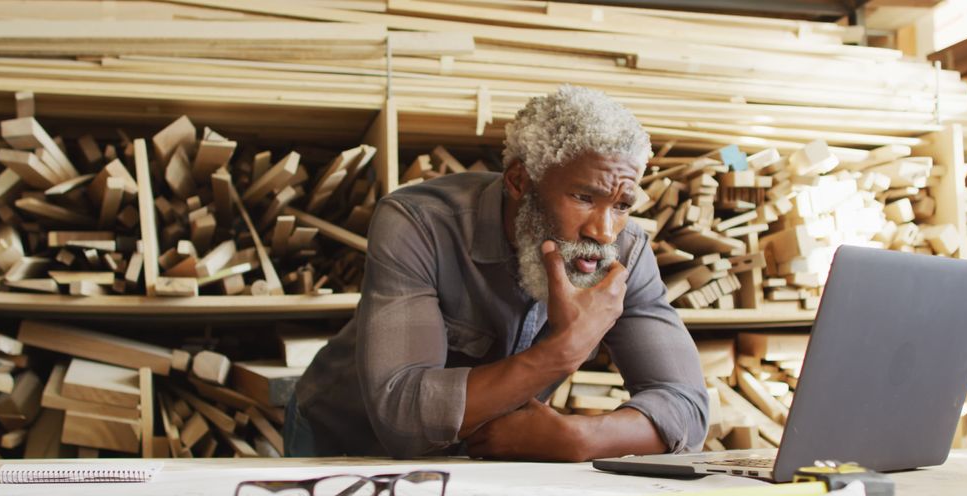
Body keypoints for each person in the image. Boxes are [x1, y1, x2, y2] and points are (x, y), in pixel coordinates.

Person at [285, 85, 708, 461]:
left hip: (482, 451)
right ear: (520, 181)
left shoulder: (624, 251)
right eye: (583, 197)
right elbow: (402, 421)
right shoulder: (419, 222)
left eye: (620, 206)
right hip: (344, 439)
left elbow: (688, 408)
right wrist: (564, 350)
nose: (603, 231)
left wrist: (582, 437)